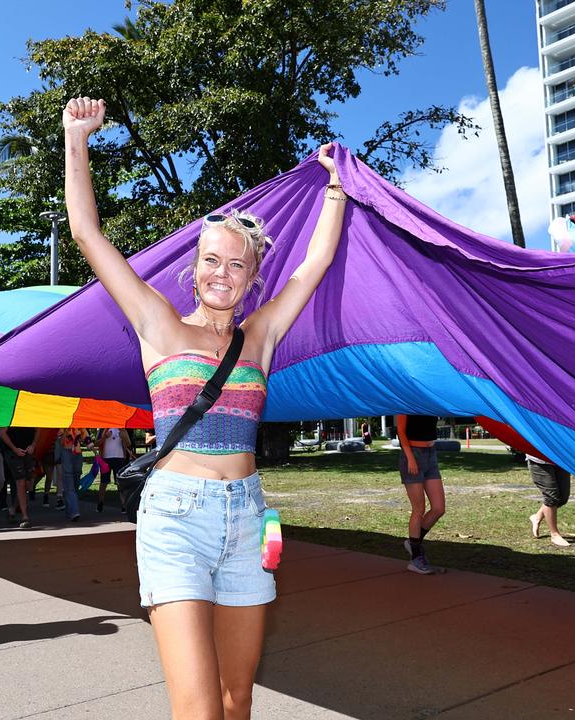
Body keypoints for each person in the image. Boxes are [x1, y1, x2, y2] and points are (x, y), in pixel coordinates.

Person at [64, 96, 345, 719]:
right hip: (175, 520)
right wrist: (77, 138)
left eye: (237, 264)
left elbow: (315, 264)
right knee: (199, 710)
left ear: (252, 279)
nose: (223, 272)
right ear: (194, 269)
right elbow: (87, 232)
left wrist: (335, 188)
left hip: (248, 519)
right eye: (211, 260)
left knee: (237, 698)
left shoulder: (261, 337)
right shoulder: (158, 326)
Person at [396, 414, 446, 575]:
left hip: (431, 454)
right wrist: (410, 457)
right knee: (419, 509)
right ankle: (416, 558)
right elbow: (401, 431)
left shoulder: (428, 399)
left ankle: (413, 542)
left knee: (438, 508)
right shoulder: (406, 401)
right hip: (412, 454)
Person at [528, 454, 572, 547]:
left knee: (563, 498)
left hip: (559, 458)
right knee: (551, 497)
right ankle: (555, 534)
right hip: (539, 460)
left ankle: (537, 516)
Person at [0, 425, 36, 526]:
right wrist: (14, 449)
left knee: (28, 484)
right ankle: (25, 517)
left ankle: (12, 509)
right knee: (21, 482)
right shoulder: (11, 413)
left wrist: (33, 444)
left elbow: (39, 429)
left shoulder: (31, 413)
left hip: (28, 452)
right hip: (12, 453)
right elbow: (2, 433)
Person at [95, 427, 134, 513]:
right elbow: (96, 443)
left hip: (119, 459)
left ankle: (124, 505)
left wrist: (124, 436)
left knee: (120, 483)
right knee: (103, 482)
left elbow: (128, 444)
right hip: (105, 459)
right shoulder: (103, 428)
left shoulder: (122, 429)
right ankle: (100, 503)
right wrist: (105, 437)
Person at [58, 427, 86, 521]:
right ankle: (74, 512)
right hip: (66, 452)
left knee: (75, 482)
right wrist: (66, 432)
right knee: (68, 480)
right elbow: (61, 442)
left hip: (77, 454)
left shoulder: (79, 423)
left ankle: (69, 509)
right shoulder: (61, 425)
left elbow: (85, 437)